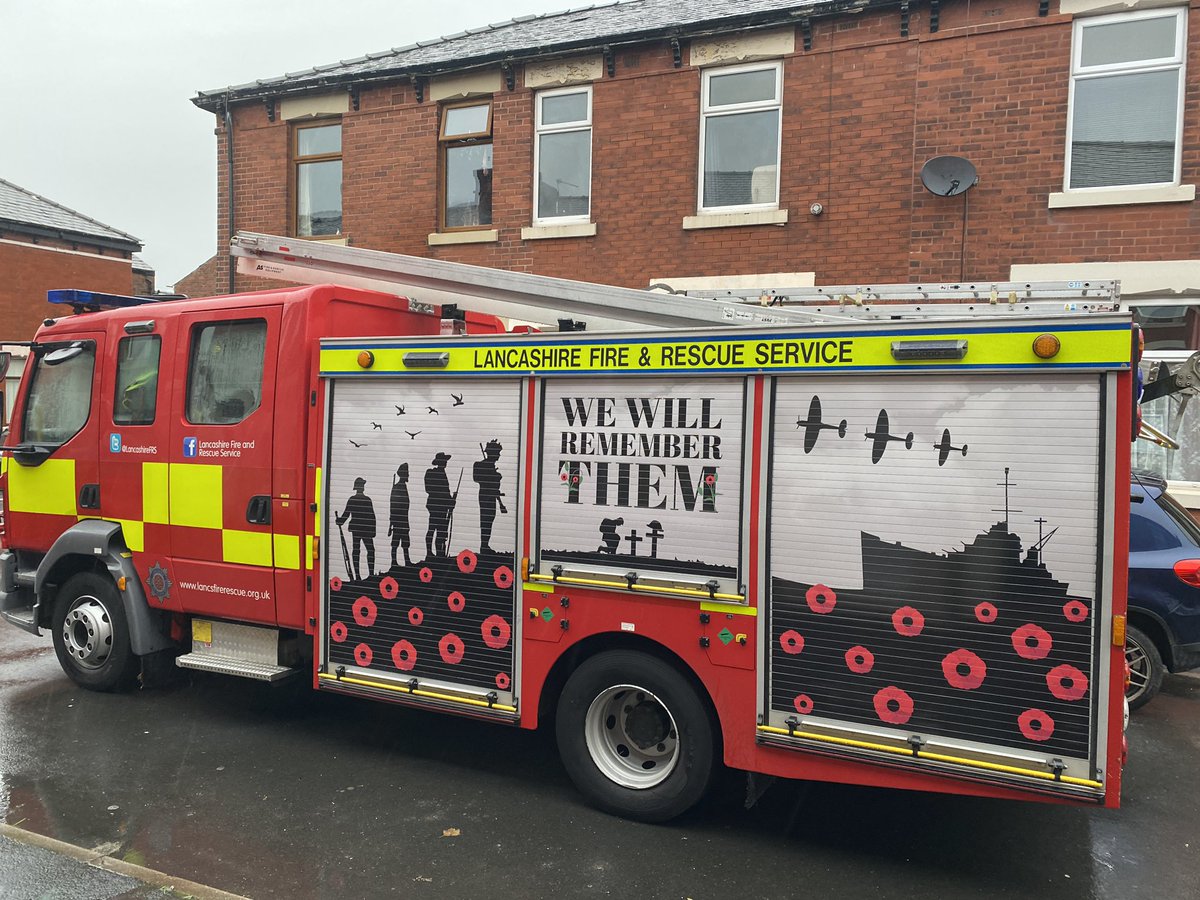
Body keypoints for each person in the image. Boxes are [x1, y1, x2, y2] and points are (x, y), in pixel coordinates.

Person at [336, 477, 376, 580]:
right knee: (365, 550)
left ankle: (361, 575)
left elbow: (346, 515)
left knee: (360, 550)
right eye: (361, 485)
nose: (362, 487)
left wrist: (340, 521)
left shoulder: (355, 500)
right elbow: (372, 516)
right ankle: (364, 575)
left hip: (359, 529)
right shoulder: (365, 500)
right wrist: (340, 520)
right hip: (364, 529)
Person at [473, 440, 506, 553]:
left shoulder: (492, 468)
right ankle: (483, 546)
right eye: (497, 453)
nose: (499, 455)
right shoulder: (480, 465)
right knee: (485, 520)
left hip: (492, 497)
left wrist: (501, 504)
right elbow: (477, 478)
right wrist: (491, 475)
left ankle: (485, 545)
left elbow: (495, 489)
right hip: (485, 497)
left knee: (489, 519)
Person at [424, 453, 456, 558]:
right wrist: (447, 499)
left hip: (443, 506)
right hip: (435, 505)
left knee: (441, 530)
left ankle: (439, 553)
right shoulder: (431, 473)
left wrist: (451, 500)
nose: (445, 463)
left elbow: (446, 491)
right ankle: (429, 552)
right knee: (432, 528)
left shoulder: (443, 473)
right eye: (444, 461)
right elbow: (429, 489)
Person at [389, 463, 412, 568]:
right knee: (395, 542)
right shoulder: (397, 487)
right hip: (398, 519)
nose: (408, 475)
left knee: (405, 542)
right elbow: (393, 506)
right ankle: (394, 562)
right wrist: (391, 523)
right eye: (406, 473)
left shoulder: (403, 486)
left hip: (404, 519)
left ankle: (407, 561)